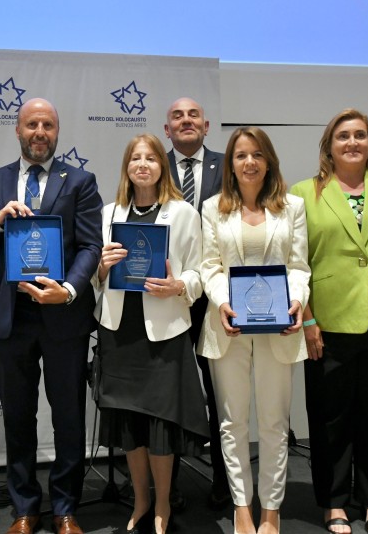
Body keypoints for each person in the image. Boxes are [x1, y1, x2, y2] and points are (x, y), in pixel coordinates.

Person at [0, 98, 102, 534]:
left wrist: (69, 290)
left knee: (68, 415)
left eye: (47, 125)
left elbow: (90, 246)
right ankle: (25, 507)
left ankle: (64, 507)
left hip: (63, 314)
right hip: (10, 316)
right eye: (31, 124)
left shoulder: (80, 181)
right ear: (17, 130)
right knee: (18, 416)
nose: (39, 132)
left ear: (56, 132)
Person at [290, 109, 368, 534]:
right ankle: (333, 502)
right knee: (330, 419)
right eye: (343, 136)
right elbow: (296, 262)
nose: (352, 142)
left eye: (360, 135)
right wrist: (308, 320)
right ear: (329, 146)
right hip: (327, 322)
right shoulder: (303, 193)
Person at [94, 133, 210, 534]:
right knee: (130, 423)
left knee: (161, 422)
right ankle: (140, 500)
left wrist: (179, 286)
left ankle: (162, 503)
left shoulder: (183, 213)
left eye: (151, 158)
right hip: (119, 332)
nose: (142, 164)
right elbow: (93, 277)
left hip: (163, 334)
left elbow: (200, 272)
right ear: (126, 167)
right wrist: (102, 268)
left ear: (163, 166)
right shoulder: (108, 213)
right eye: (135, 158)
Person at [198, 127, 309, 534]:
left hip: (279, 329)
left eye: (257, 154)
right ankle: (242, 508)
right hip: (228, 326)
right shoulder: (213, 208)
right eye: (241, 155)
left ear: (269, 161)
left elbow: (299, 266)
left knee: (274, 423)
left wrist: (296, 301)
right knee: (232, 424)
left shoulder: (292, 207)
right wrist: (222, 302)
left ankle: (271, 510)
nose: (249, 162)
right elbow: (210, 266)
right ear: (230, 164)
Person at [163, 97, 229, 510]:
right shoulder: (154, 165)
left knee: (222, 394)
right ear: (166, 129)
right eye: (177, 116)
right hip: (168, 299)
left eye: (193, 115)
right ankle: (167, 485)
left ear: (205, 126)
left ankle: (225, 481)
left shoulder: (229, 166)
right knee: (168, 393)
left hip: (217, 300)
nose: (185, 120)